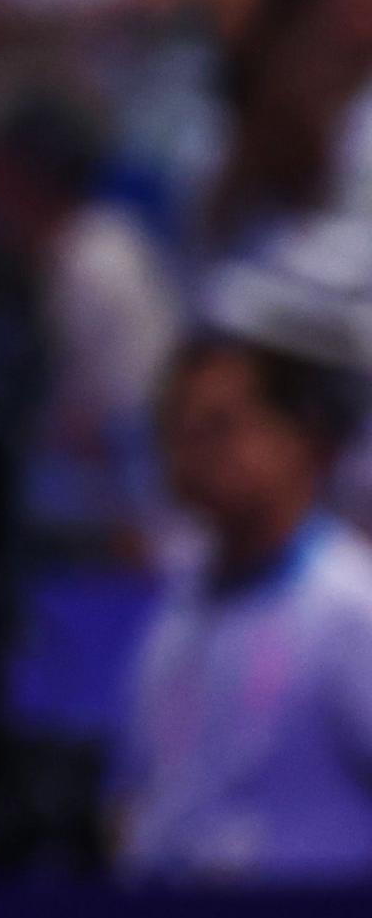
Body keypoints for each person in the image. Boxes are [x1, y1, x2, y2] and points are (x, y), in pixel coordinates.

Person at [117, 334, 372, 879]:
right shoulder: (175, 615)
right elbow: (132, 800)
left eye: (218, 427)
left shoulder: (350, 605)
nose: (192, 452)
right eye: (177, 430)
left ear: (300, 439)